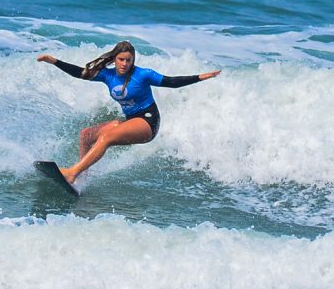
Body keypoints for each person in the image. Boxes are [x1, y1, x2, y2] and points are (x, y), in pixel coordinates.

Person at [37, 41, 220, 184]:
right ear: (114, 59)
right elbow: (80, 73)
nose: (124, 63)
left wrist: (201, 77)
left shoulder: (143, 74)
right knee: (86, 135)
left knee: (106, 138)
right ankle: (81, 179)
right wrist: (54, 61)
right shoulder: (107, 75)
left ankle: (72, 173)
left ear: (133, 60)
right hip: (130, 120)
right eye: (121, 59)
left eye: (128, 60)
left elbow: (171, 82)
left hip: (148, 121)